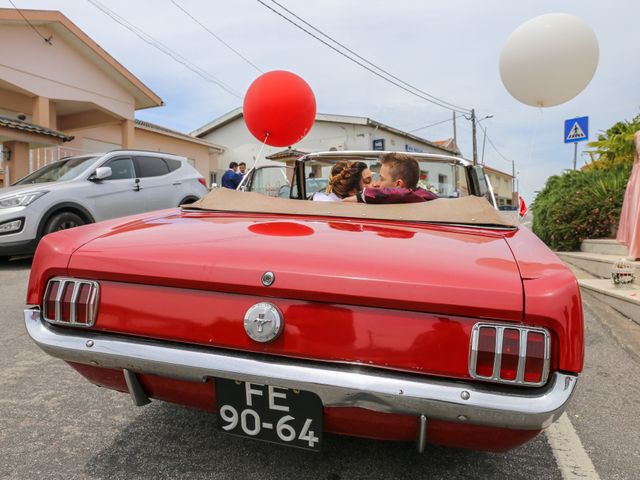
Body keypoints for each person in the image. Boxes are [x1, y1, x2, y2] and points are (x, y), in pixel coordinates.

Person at [344, 152, 438, 204]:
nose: (376, 183)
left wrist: (361, 196)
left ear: (398, 185)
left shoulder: (420, 198)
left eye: (382, 179)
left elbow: (403, 194)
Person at [617, 131, 640, 259]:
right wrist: (631, 179)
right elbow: (636, 158)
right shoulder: (637, 135)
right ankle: (637, 251)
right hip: (638, 176)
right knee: (636, 213)